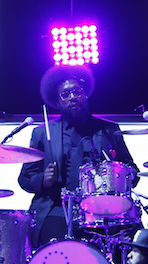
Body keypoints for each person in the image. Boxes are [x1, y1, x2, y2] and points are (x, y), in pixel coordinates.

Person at [18, 64, 138, 247]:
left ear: (86, 94)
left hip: (100, 210)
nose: (73, 97)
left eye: (77, 92)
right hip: (56, 209)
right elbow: (25, 178)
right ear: (57, 102)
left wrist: (117, 176)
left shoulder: (108, 130)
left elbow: (132, 172)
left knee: (123, 239)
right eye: (65, 95)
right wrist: (44, 180)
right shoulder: (42, 133)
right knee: (58, 248)